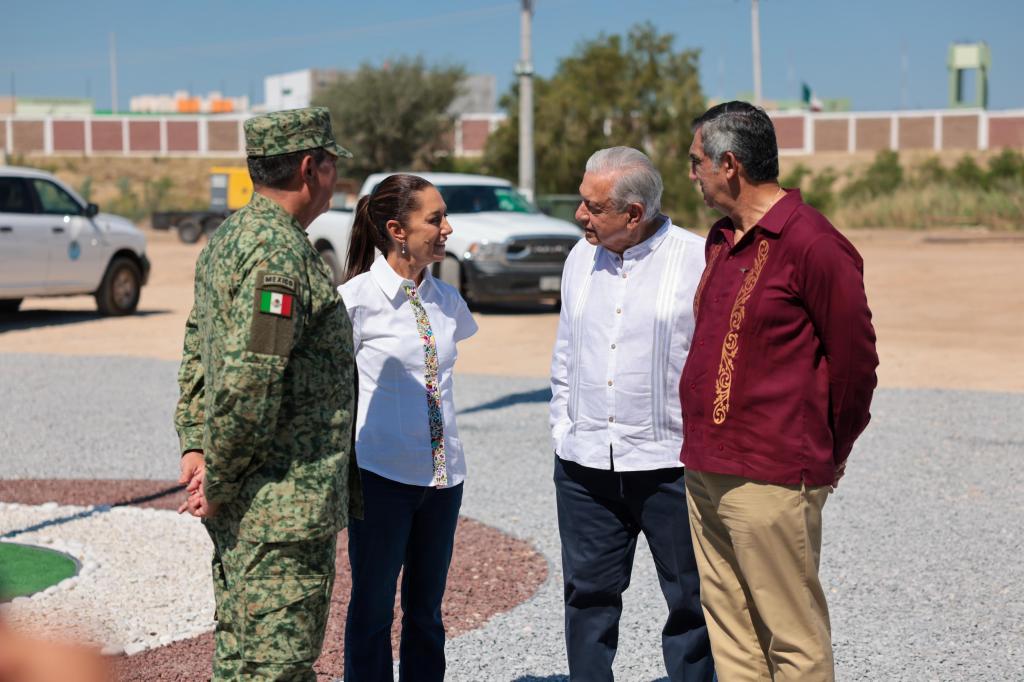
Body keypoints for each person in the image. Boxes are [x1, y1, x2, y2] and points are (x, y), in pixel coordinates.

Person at [680, 101, 879, 681]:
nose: (692, 174)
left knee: (792, 636)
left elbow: (856, 363)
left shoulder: (813, 242)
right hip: (705, 466)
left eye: (697, 162)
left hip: (772, 474)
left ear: (729, 165)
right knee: (733, 633)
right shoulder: (720, 237)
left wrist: (828, 453)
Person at [173, 107, 361, 681]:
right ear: (311, 168)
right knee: (274, 667)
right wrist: (221, 479)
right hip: (278, 508)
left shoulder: (231, 236)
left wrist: (196, 448)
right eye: (331, 166)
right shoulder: (278, 257)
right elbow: (250, 384)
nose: (334, 179)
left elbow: (196, 352)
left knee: (240, 658)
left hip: (249, 502)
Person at [549, 147, 715, 682]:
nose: (580, 215)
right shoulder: (579, 259)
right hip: (585, 467)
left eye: (593, 207)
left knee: (692, 603)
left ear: (634, 213)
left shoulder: (699, 260)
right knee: (588, 598)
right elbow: (566, 354)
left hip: (671, 467)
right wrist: (563, 427)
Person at [338, 173, 477, 681]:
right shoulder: (353, 302)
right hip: (381, 479)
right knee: (373, 613)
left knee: (426, 613)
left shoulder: (448, 301)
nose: (447, 228)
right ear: (397, 229)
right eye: (435, 218)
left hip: (443, 481)